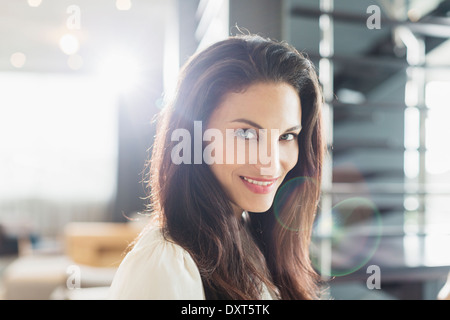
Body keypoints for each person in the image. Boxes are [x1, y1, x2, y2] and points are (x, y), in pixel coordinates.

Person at [108, 34, 325, 300]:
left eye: (286, 136)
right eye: (246, 134)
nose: (270, 161)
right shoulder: (166, 264)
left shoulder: (255, 240)